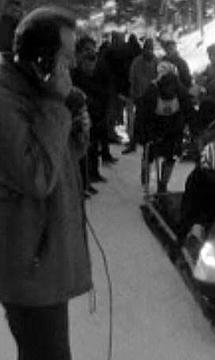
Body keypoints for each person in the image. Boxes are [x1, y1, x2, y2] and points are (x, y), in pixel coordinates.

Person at [0, 7, 93, 359]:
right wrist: (56, 106)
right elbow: (37, 177)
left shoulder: (36, 90)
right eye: (65, 60)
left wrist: (76, 135)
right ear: (41, 60)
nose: (69, 70)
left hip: (44, 267)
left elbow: (56, 166)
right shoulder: (6, 101)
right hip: (29, 270)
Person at [138, 62, 194, 193]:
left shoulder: (181, 91)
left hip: (174, 126)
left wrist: (193, 129)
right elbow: (142, 115)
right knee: (150, 153)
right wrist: (144, 134)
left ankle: (163, 184)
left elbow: (188, 110)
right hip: (155, 125)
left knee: (171, 156)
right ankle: (145, 174)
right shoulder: (152, 91)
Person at [72, 35, 109, 183]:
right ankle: (84, 180)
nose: (90, 52)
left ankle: (92, 174)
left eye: (92, 48)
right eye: (87, 49)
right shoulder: (76, 71)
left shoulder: (98, 66)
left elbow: (104, 87)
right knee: (84, 150)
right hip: (85, 114)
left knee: (94, 147)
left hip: (97, 113)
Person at [122, 37, 158, 154]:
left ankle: (152, 144)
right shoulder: (137, 61)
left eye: (151, 49)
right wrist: (133, 92)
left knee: (152, 122)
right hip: (140, 95)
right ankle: (133, 143)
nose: (149, 51)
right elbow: (132, 77)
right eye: (147, 48)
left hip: (152, 96)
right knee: (137, 121)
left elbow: (159, 77)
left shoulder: (156, 61)